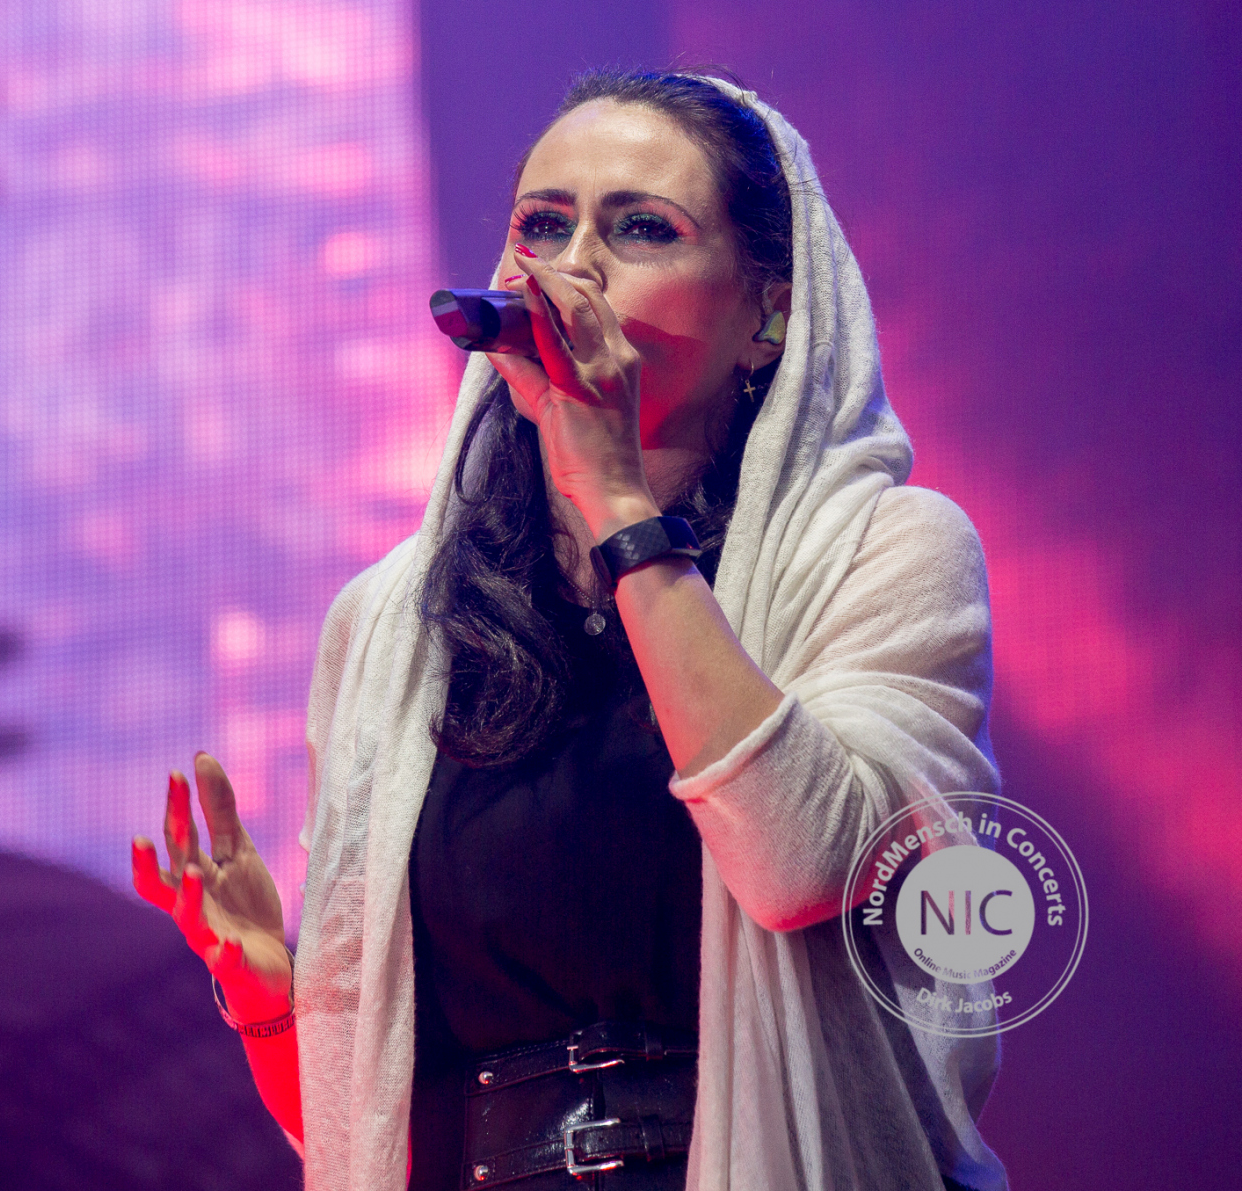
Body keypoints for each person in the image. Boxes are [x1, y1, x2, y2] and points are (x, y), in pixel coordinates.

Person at [132, 70, 1009, 1191]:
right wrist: (269, 997)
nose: (571, 266)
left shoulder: (887, 551)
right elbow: (367, 1128)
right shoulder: (397, 627)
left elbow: (801, 863)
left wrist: (618, 505)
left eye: (641, 228)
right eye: (542, 225)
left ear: (769, 315)